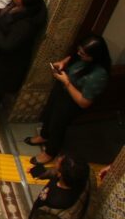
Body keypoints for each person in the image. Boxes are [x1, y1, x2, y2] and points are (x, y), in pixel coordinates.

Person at [27, 33, 110, 165]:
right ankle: (44, 136)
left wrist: (67, 83)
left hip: (71, 102)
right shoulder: (82, 57)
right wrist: (63, 63)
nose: (79, 54)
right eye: (79, 51)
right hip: (62, 91)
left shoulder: (99, 76)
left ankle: (50, 152)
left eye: (83, 53)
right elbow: (72, 58)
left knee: (58, 125)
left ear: (93, 56)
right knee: (49, 114)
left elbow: (84, 102)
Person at [17, 154, 91, 219]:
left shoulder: (61, 208)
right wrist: (41, 172)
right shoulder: (80, 177)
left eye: (58, 163)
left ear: (61, 174)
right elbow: (57, 172)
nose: (56, 160)